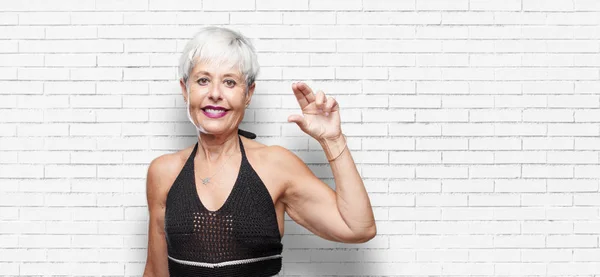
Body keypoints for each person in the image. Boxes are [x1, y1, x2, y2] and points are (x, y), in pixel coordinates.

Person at [143, 26, 376, 277]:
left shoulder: (274, 165)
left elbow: (358, 228)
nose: (215, 94)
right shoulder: (163, 172)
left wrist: (333, 140)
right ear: (185, 89)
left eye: (230, 82)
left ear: (248, 94)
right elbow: (155, 272)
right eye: (203, 80)